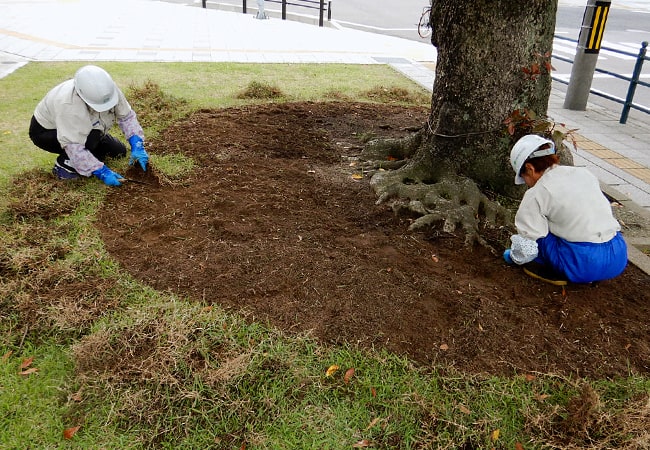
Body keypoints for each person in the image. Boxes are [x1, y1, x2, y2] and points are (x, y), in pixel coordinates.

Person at [503, 134, 627, 284]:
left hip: (582, 264)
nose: (526, 183)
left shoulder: (537, 193)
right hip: (618, 255)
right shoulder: (584, 173)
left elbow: (528, 248)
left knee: (538, 236)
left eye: (524, 178)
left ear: (529, 168)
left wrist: (513, 256)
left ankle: (556, 272)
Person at [29, 65, 149, 186]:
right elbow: (73, 146)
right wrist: (103, 172)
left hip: (92, 129)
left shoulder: (108, 90)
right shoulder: (68, 104)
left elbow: (126, 117)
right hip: (47, 132)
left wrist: (137, 144)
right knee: (90, 142)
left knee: (119, 151)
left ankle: (90, 151)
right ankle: (64, 165)